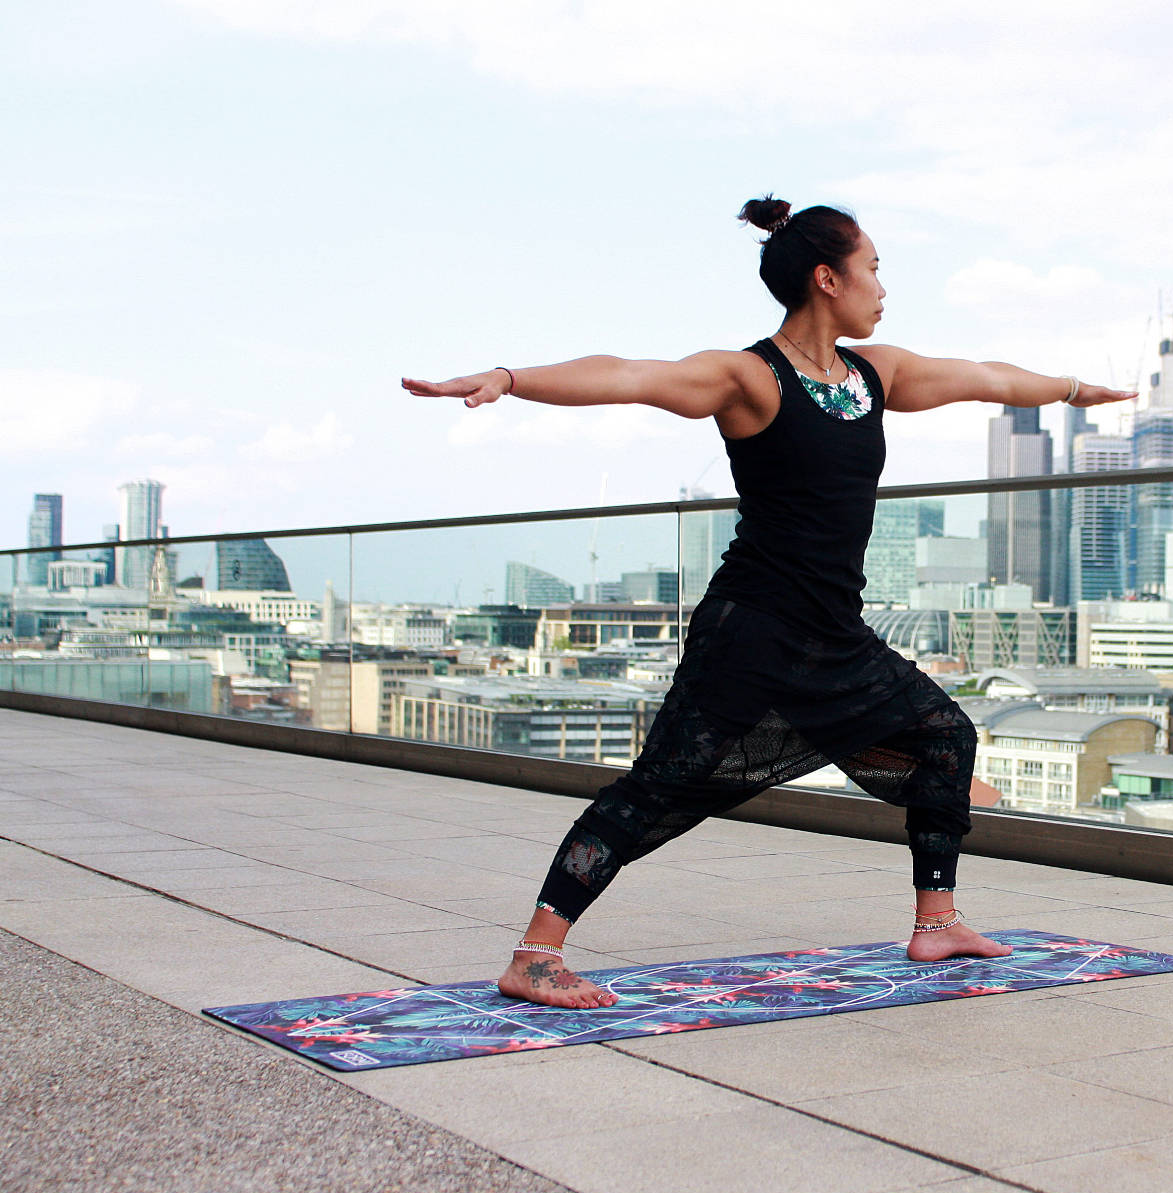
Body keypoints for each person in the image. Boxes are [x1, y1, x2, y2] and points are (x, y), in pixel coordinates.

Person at [402, 197, 1134, 1008]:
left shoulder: (874, 374)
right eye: (874, 269)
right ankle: (535, 955)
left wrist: (1073, 390)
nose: (883, 286)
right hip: (752, 628)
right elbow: (628, 374)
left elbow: (985, 377)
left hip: (834, 633)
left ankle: (937, 921)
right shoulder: (749, 378)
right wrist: (508, 379)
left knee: (946, 736)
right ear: (828, 279)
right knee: (659, 791)